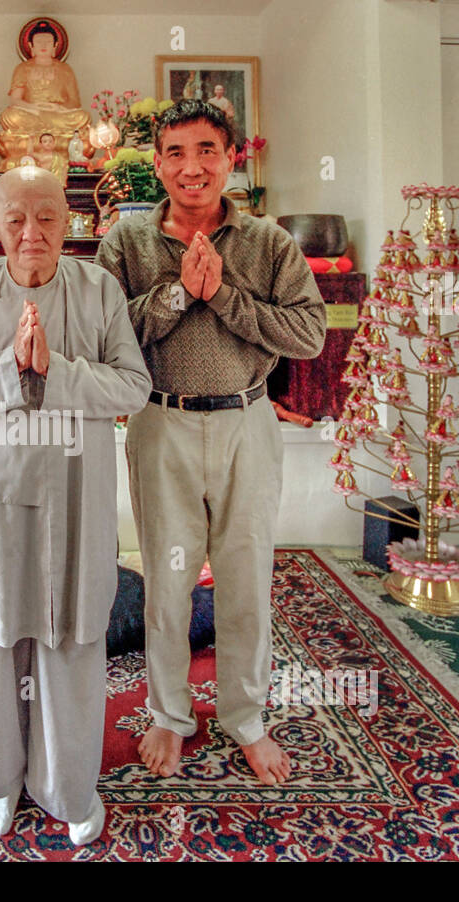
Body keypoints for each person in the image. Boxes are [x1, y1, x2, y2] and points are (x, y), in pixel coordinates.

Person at [0, 166, 150, 846]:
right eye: (16, 218)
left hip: (76, 495)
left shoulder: (99, 289)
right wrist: (7, 370)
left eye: (47, 217)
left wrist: (58, 372)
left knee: (75, 635)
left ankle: (67, 785)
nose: (31, 232)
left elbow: (133, 387)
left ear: (69, 222)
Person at [95, 99, 325, 784]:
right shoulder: (128, 243)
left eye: (207, 151)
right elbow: (103, 337)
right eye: (175, 153)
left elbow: (308, 335)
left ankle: (245, 717)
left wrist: (224, 295)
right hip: (160, 422)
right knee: (167, 579)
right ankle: (169, 713)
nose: (191, 168)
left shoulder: (269, 243)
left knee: (247, 575)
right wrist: (173, 297)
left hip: (247, 424)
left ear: (232, 159)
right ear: (158, 163)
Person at [0, 21, 90, 169]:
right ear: (31, 46)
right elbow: (15, 100)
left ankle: (30, 147)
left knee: (83, 117)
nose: (43, 45)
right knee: (10, 116)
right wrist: (33, 108)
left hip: (58, 115)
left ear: (55, 46)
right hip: (31, 113)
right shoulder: (22, 68)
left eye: (48, 42)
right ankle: (55, 148)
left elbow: (74, 102)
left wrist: (57, 108)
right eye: (39, 42)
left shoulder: (65, 69)